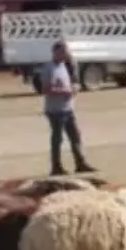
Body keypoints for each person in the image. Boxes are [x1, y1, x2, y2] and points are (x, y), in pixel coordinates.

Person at [40, 42, 96, 176]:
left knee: (75, 136)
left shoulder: (64, 66)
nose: (66, 55)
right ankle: (56, 166)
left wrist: (73, 89)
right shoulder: (49, 68)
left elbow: (71, 82)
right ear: (55, 53)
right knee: (57, 139)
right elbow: (45, 89)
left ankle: (80, 163)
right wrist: (64, 91)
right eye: (63, 52)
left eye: (66, 52)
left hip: (67, 108)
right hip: (55, 110)